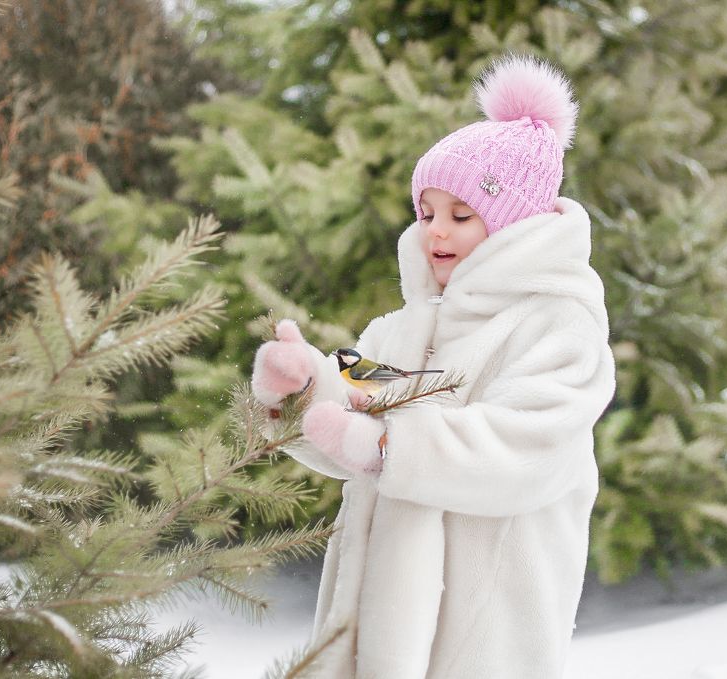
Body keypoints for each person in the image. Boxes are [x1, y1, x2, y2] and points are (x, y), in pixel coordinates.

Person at [251, 53, 616, 679]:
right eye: (427, 212)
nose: (435, 233)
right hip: (372, 624)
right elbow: (361, 400)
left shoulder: (558, 326)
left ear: (511, 225)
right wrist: (303, 388)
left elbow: (525, 445)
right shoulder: (403, 326)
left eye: (461, 215)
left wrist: (387, 447)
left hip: (485, 624)